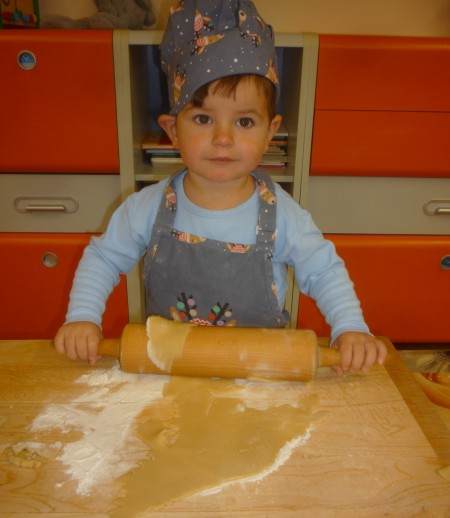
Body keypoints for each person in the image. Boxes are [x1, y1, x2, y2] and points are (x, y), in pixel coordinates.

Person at [54, 0, 387, 375]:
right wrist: (82, 317)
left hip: (259, 376)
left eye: (244, 122)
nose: (223, 138)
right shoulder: (147, 208)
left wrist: (350, 327)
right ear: (173, 130)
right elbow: (103, 259)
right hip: (172, 372)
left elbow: (324, 271)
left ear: (270, 133)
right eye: (203, 119)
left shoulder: (282, 215)